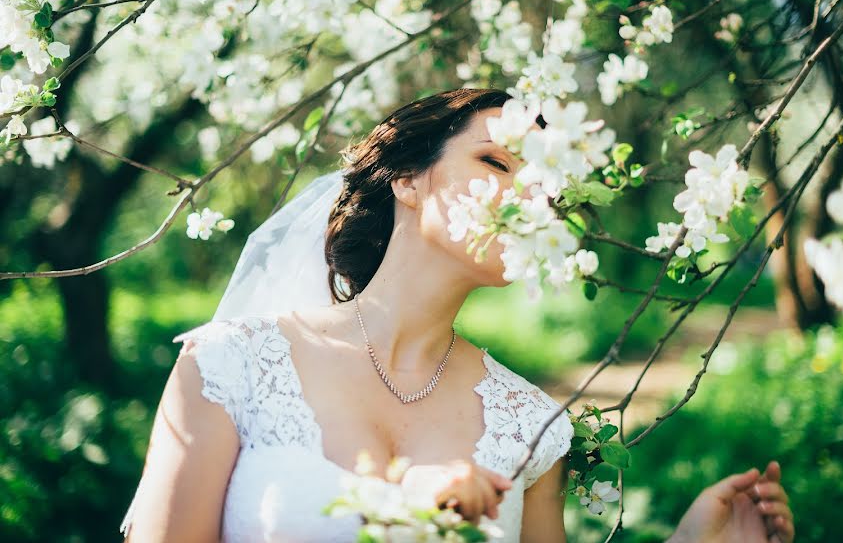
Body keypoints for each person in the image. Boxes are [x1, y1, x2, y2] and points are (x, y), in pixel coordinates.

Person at [118, 88, 795, 542]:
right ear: (408, 180)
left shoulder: (530, 424)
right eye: (497, 161)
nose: (529, 196)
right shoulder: (228, 365)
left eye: (546, 184)